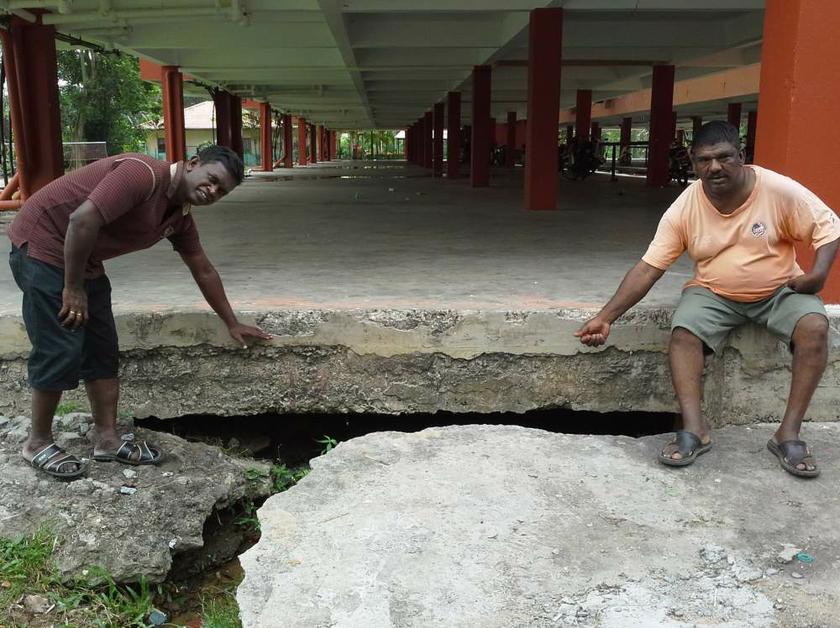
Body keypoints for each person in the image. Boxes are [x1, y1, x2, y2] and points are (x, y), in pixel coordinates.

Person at [574, 121, 839, 478]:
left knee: (815, 328)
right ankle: (694, 429)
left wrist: (818, 275)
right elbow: (649, 268)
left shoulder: (778, 189)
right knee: (684, 333)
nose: (714, 167)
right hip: (714, 291)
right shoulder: (685, 207)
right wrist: (606, 316)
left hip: (779, 290)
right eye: (704, 160)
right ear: (693, 162)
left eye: (724, 157)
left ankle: (787, 434)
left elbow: (828, 226)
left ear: (741, 156)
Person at [7, 145, 272, 479]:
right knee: (60, 346)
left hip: (82, 258)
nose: (213, 191)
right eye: (212, 179)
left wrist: (232, 323)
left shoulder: (180, 217)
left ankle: (107, 440)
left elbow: (203, 269)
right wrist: (72, 288)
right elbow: (81, 219)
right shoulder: (142, 173)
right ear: (192, 164)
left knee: (102, 348)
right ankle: (37, 442)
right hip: (42, 245)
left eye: (222, 191)